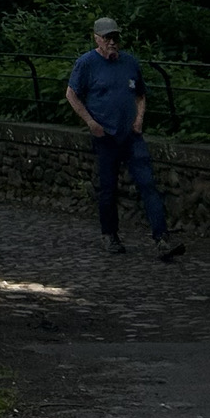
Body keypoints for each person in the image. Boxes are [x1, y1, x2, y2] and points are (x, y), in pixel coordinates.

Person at [65, 18, 184, 260]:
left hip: (131, 135)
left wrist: (139, 118)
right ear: (97, 38)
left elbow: (140, 95)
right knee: (108, 189)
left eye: (115, 37)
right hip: (106, 136)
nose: (112, 42)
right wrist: (90, 122)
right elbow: (72, 94)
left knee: (147, 184)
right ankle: (110, 235)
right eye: (107, 37)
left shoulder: (129, 62)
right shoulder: (87, 63)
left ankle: (162, 239)